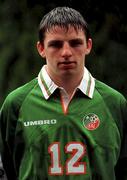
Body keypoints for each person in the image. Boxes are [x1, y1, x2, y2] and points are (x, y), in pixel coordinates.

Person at [0, 6, 127, 180]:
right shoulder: (15, 104)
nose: (66, 52)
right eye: (56, 44)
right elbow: (7, 170)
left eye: (75, 43)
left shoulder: (115, 103)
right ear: (41, 48)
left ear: (88, 45)